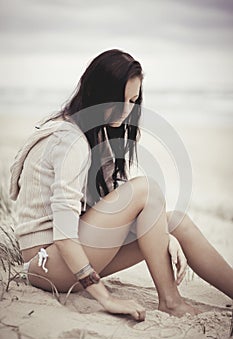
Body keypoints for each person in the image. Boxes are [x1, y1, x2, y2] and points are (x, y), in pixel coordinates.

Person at [10, 49, 233, 322]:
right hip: (47, 264)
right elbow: (64, 236)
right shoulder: (70, 140)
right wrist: (105, 297)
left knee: (175, 221)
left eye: (133, 101)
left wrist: (164, 235)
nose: (127, 111)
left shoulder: (97, 132)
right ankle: (171, 301)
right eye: (119, 100)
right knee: (146, 189)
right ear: (97, 93)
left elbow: (118, 203)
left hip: (74, 252)